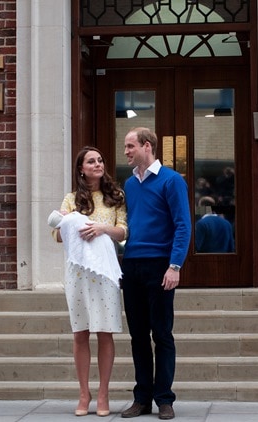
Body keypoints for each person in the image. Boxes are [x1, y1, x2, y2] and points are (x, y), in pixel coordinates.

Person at [120, 127, 191, 420]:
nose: (126, 151)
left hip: (160, 265)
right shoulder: (129, 183)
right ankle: (141, 399)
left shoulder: (172, 181)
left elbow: (183, 225)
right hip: (132, 265)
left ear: (147, 146)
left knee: (161, 334)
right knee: (137, 335)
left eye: (130, 146)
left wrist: (175, 266)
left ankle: (164, 399)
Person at [51, 146, 127, 417]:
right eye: (91, 161)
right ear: (81, 168)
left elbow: (123, 233)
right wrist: (71, 224)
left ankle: (104, 393)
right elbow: (57, 235)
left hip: (105, 274)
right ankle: (84, 393)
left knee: (105, 332)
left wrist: (102, 228)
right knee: (80, 333)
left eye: (100, 159)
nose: (97, 164)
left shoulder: (116, 197)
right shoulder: (71, 199)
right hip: (78, 274)